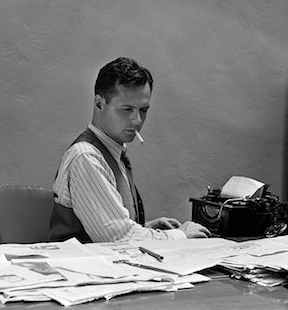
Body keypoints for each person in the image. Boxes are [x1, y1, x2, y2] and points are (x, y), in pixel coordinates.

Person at [49, 57, 211, 243]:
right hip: (84, 269)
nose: (137, 120)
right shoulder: (86, 157)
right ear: (99, 104)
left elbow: (112, 227)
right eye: (127, 109)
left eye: (143, 110)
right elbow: (118, 239)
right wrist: (180, 234)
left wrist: (146, 229)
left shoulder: (113, 152)